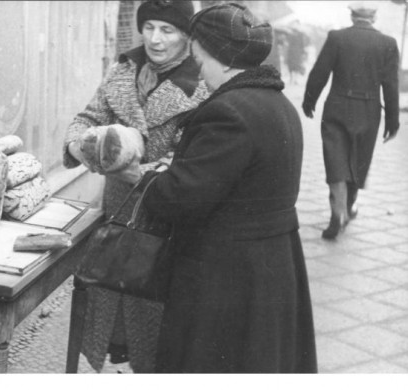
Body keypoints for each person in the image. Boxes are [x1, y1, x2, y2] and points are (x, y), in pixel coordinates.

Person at [117, 2, 317, 373]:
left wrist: (139, 176)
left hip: (225, 275)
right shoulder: (278, 104)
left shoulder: (228, 111)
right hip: (273, 264)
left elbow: (179, 198)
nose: (200, 72)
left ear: (225, 61)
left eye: (201, 60)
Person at [62, 0, 208, 373]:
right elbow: (86, 119)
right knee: (115, 318)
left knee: (157, 336)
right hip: (116, 215)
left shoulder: (203, 86)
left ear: (187, 35)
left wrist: (133, 170)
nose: (155, 40)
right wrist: (82, 146)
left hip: (163, 222)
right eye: (149, 27)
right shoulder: (124, 69)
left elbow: (188, 163)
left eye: (167, 30)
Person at [302, 2, 400, 240]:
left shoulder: (337, 37)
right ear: (374, 17)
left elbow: (320, 71)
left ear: (353, 15)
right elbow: (390, 85)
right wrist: (393, 120)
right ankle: (349, 205)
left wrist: (309, 100)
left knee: (335, 158)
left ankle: (338, 212)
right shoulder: (388, 44)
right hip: (368, 110)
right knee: (358, 160)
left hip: (337, 106)